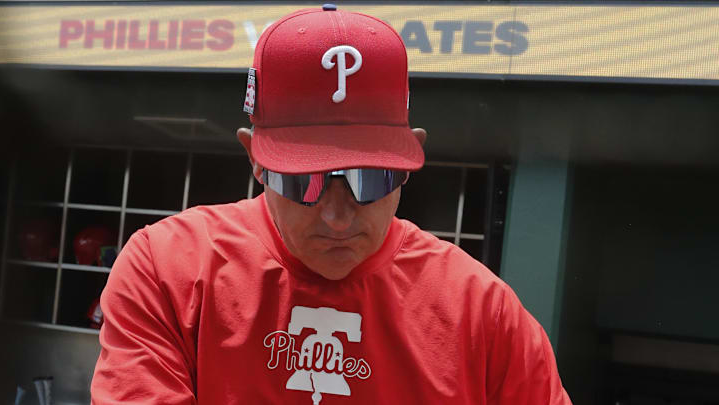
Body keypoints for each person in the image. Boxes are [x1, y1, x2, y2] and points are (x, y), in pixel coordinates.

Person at [91, 5, 572, 405]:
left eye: (371, 179)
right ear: (255, 161)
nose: (338, 218)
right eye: (306, 181)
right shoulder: (168, 270)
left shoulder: (482, 311)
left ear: (408, 160)